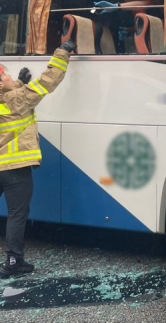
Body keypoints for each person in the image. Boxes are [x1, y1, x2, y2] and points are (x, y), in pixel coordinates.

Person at [0, 40, 76, 277]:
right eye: (6, 75)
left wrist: (19, 82)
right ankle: (13, 261)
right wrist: (62, 52)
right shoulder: (17, 99)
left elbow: (12, 97)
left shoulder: (12, 97)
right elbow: (46, 82)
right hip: (14, 170)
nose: (11, 76)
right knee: (17, 215)